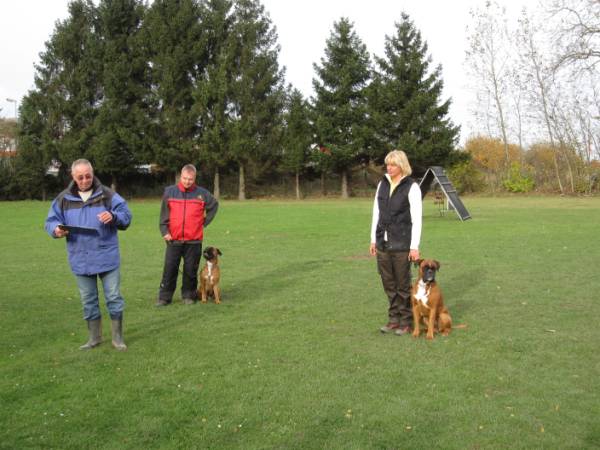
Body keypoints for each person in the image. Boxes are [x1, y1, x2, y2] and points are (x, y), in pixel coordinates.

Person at [45, 159, 132, 351]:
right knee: (88, 300)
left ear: (93, 174)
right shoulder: (64, 198)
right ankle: (94, 338)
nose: (85, 180)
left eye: (88, 176)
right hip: (80, 259)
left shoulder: (108, 195)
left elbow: (126, 216)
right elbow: (51, 221)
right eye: (80, 177)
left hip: (107, 257)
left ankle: (117, 338)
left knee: (114, 297)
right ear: (73, 177)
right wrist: (56, 230)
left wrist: (114, 216)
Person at [369, 150, 422, 336]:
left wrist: (414, 246)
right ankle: (393, 319)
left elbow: (417, 219)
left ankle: (406, 321)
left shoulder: (412, 187)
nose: (389, 168)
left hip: (402, 243)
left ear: (402, 166)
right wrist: (373, 239)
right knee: (388, 283)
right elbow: (377, 213)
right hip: (382, 243)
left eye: (393, 165)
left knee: (402, 284)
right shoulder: (382, 185)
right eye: (388, 164)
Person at [157, 164, 219, 306]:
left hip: (194, 240)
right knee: (170, 268)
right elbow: (163, 215)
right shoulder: (169, 192)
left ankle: (188, 295)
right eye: (185, 178)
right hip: (174, 238)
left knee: (191, 269)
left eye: (190, 179)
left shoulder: (202, 193)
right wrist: (165, 231)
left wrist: (203, 222)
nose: (187, 182)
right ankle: (164, 297)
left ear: (194, 178)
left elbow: (214, 205)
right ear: (181, 176)